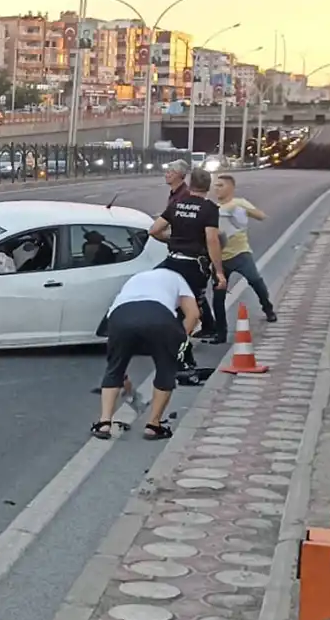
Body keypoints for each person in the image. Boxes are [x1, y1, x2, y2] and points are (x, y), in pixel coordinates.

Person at [92, 266, 200, 441]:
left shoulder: (136, 277)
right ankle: (153, 425)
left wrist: (122, 373)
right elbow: (193, 314)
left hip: (121, 316)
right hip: (159, 317)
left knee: (114, 368)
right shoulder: (178, 278)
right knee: (166, 369)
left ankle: (104, 423)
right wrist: (181, 339)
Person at [149, 165, 224, 339]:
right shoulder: (209, 208)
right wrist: (219, 271)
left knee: (173, 303)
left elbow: (154, 230)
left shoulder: (177, 205)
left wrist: (172, 241)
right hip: (194, 266)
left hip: (173, 262)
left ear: (190, 185)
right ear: (208, 186)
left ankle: (169, 340)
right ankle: (181, 349)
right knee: (191, 310)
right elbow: (212, 240)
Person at [209, 174, 276, 341]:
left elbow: (261, 216)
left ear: (231, 187)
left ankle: (268, 308)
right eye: (215, 185)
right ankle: (221, 333)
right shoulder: (212, 209)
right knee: (218, 296)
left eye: (221, 185)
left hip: (241, 254)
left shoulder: (239, 203)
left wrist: (243, 211)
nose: (217, 188)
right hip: (219, 259)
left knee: (255, 281)